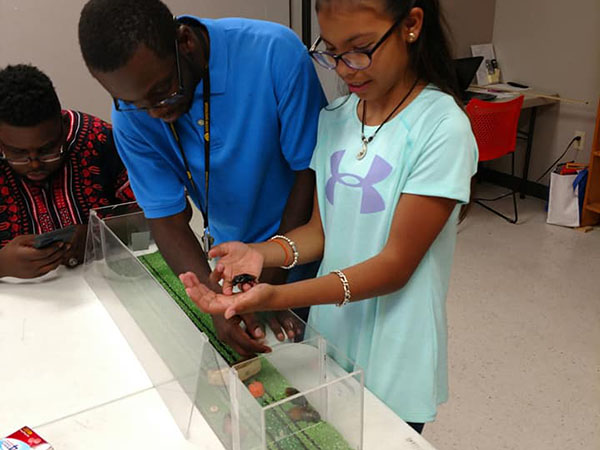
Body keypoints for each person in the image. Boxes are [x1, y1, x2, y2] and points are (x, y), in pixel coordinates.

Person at [180, 0, 478, 434]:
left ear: (411, 25)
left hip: (396, 345)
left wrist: (276, 297)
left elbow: (395, 266)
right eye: (332, 52)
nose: (344, 69)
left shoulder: (442, 127)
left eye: (359, 49)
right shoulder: (335, 119)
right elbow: (320, 232)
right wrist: (260, 254)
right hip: (334, 332)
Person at [77, 0, 327, 356]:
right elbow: (165, 217)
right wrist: (216, 305)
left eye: (163, 91)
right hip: (233, 264)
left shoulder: (273, 52)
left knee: (319, 358)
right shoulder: (131, 114)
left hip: (307, 252)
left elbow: (310, 173)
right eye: (134, 102)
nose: (155, 113)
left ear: (185, 43)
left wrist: (270, 287)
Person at [0, 64, 134, 279]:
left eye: (48, 150)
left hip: (106, 284)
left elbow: (162, 219)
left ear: (63, 125)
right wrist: (2, 266)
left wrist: (98, 236)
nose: (34, 164)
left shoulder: (100, 141)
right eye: (17, 153)